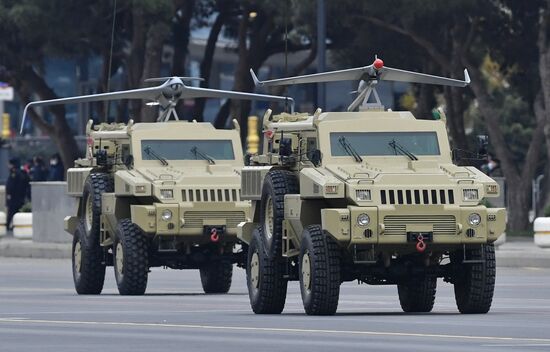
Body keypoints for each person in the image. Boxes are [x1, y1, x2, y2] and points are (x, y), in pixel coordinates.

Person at [5, 158, 29, 232]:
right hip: (20, 197)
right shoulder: (22, 172)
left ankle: (8, 226)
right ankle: (15, 225)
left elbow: (11, 185)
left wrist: (9, 194)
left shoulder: (14, 173)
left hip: (14, 197)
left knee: (11, 212)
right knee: (17, 211)